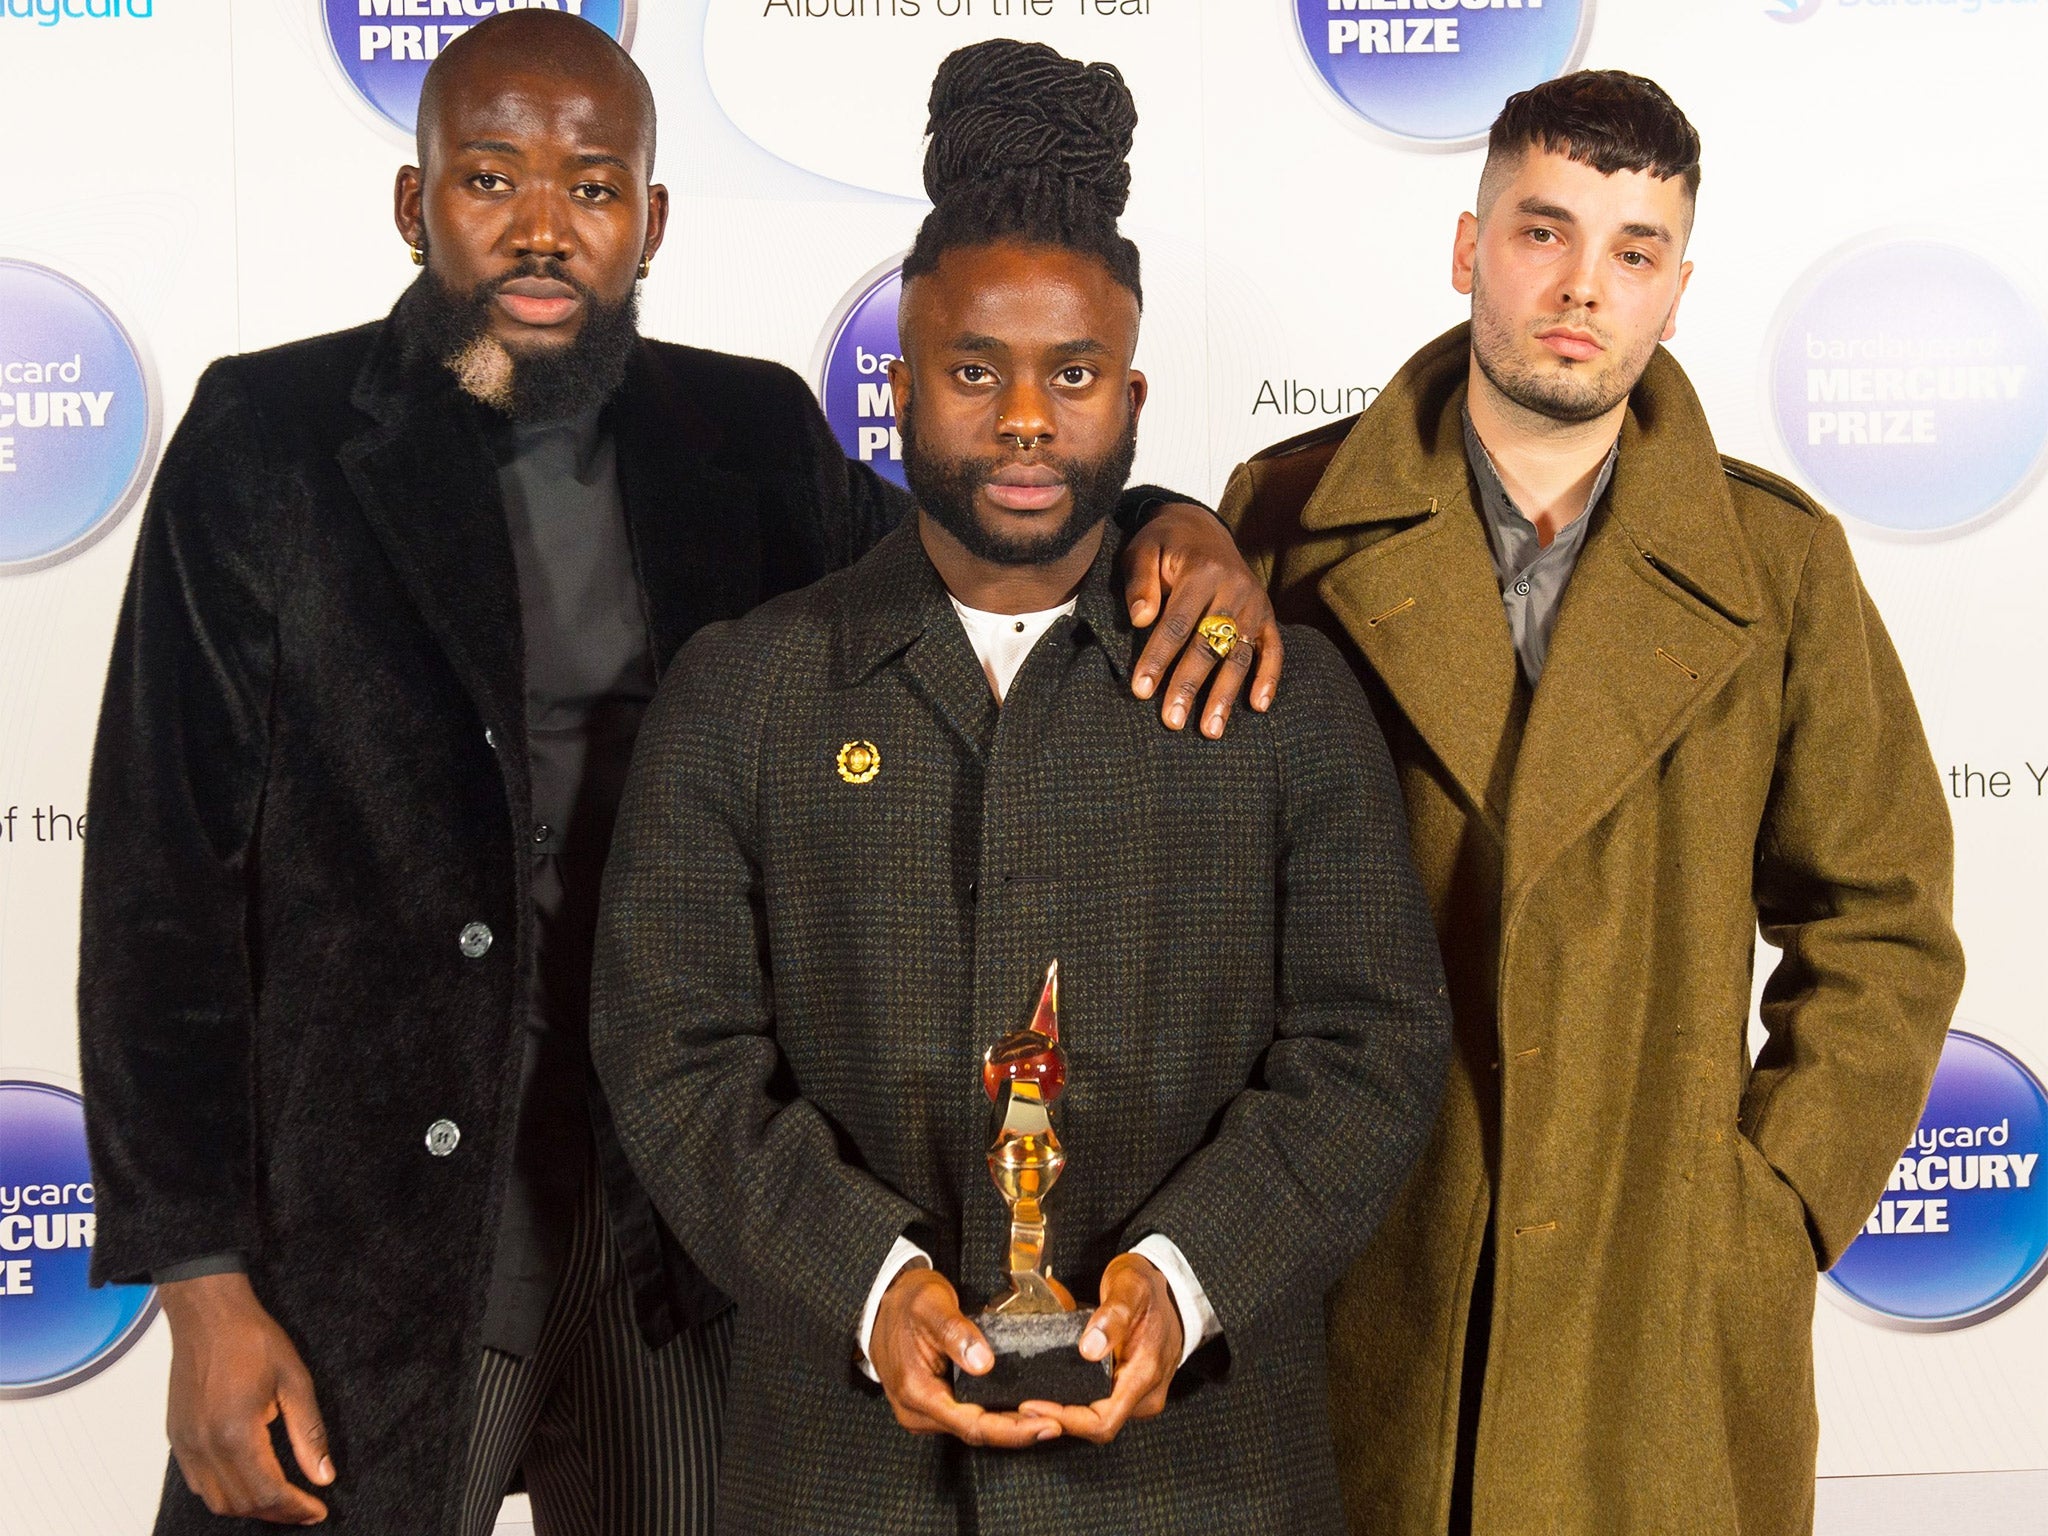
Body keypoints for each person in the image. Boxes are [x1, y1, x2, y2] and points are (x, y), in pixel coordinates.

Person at [76, 13, 1270, 1535]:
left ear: (648, 221)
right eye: (489, 177)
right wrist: (201, 1292)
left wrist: (1173, 521)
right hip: (370, 1236)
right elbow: (158, 888)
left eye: (588, 188)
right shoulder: (269, 440)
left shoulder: (745, 430)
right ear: (411, 203)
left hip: (676, 1241)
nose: (540, 228)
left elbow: (968, 541)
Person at [588, 39, 1452, 1536]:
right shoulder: (746, 690)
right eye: (976, 372)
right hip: (838, 1478)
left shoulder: (1282, 697)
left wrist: (1186, 1284)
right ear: (905, 382)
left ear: (1128, 387)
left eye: (1071, 374)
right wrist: (872, 1287)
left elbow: (1371, 1051)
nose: (1027, 420)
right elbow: (675, 1057)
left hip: (1206, 1482)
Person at [1223, 71, 1965, 1535]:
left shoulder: (1779, 563)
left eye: (1633, 252)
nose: (1583, 288)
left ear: (1678, 290)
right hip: (1362, 1268)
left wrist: (1771, 1206)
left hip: (1655, 1312)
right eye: (1543, 232)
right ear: (1467, 245)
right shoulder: (1282, 523)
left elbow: (1884, 920)